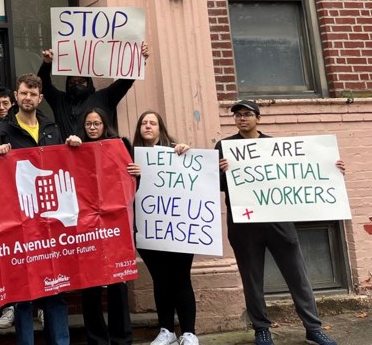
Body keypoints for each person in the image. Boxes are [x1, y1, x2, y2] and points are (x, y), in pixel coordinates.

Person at [216, 100, 341, 345]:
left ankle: (313, 328)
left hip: (277, 220)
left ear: (258, 119)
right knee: (251, 278)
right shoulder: (224, 146)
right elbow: (218, 186)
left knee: (297, 275)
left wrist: (332, 169)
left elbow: (302, 174)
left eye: (247, 114)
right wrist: (222, 172)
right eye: (238, 115)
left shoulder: (275, 146)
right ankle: (261, 328)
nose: (242, 119)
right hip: (244, 222)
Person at [0, 73, 78, 345]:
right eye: (23, 93)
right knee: (23, 293)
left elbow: (65, 167)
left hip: (51, 224)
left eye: (33, 94)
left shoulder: (52, 128)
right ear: (16, 96)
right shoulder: (3, 131)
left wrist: (74, 147)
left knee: (56, 289)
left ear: (40, 98)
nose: (27, 98)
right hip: (21, 222)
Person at [130, 111, 198, 345]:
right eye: (144, 123)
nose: (148, 126)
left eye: (153, 123)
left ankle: (189, 333)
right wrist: (134, 176)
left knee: (181, 278)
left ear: (161, 128)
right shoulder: (130, 157)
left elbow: (196, 178)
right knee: (160, 279)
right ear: (139, 128)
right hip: (148, 228)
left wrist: (186, 152)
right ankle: (166, 331)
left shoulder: (176, 152)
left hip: (179, 228)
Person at [75, 107, 140, 345]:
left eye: (97, 124)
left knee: (117, 284)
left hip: (115, 226)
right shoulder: (75, 149)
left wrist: (136, 174)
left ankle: (121, 338)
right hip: (86, 227)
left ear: (105, 125)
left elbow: (131, 189)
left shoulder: (119, 147)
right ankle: (97, 339)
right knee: (90, 286)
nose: (92, 128)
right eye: (88, 124)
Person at [38, 42, 149, 140]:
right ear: (67, 84)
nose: (77, 85)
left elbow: (125, 82)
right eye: (72, 82)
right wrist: (47, 64)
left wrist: (138, 59)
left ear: (88, 82)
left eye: (81, 81)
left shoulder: (104, 98)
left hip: (98, 155)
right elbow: (43, 84)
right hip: (67, 158)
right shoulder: (60, 101)